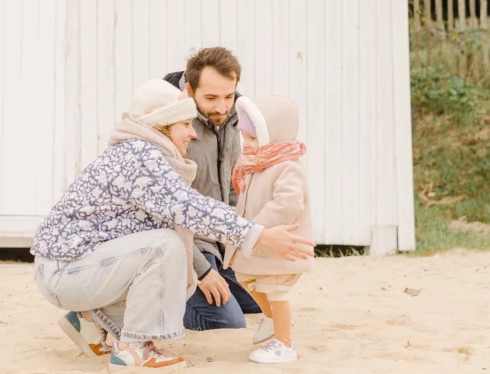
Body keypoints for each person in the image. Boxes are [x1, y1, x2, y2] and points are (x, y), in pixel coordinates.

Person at [32, 79, 315, 371]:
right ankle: (135, 349)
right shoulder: (140, 156)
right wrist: (256, 235)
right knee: (164, 246)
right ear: (163, 125)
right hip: (65, 273)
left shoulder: (140, 151)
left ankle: (91, 322)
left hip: (69, 268)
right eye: (185, 124)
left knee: (172, 259)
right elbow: (189, 208)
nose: (193, 134)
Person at [162, 47, 264, 332]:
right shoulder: (171, 125)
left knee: (260, 300)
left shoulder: (233, 118)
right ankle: (138, 304)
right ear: (190, 89)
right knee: (226, 320)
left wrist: (244, 241)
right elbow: (164, 214)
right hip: (186, 244)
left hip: (220, 242)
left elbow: (232, 188)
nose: (221, 107)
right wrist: (202, 270)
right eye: (210, 98)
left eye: (228, 96)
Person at [225, 95, 313, 364]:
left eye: (252, 138)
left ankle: (284, 342)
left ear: (272, 135)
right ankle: (274, 321)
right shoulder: (256, 163)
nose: (246, 143)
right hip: (257, 241)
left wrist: (256, 225)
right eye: (244, 137)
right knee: (246, 278)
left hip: (281, 243)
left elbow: (288, 203)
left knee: (276, 289)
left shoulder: (287, 166)